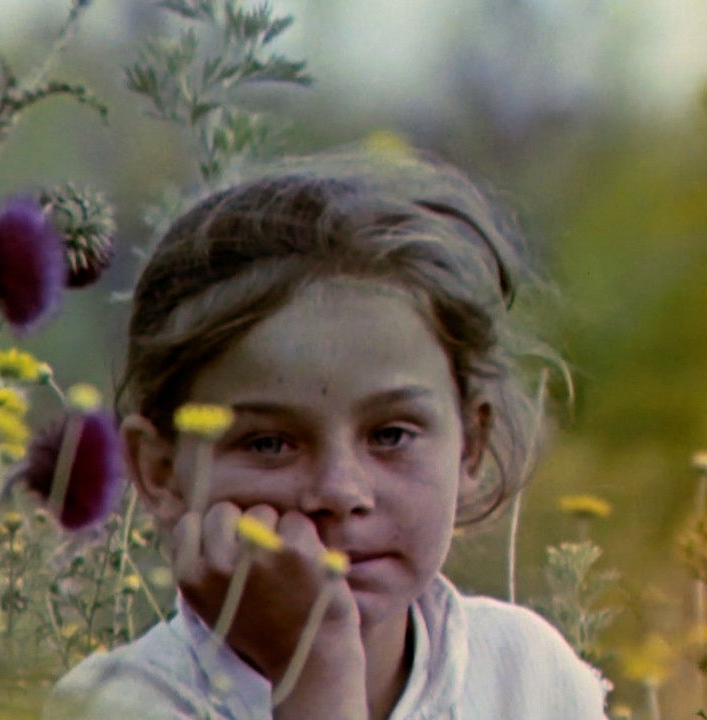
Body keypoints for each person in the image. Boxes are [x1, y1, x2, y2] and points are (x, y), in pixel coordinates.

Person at [45, 151, 609, 719]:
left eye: (390, 435)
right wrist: (315, 664)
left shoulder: (527, 676)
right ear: (161, 472)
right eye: (269, 444)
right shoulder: (115, 705)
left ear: (470, 443)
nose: (340, 491)